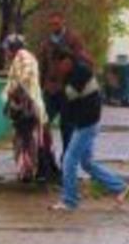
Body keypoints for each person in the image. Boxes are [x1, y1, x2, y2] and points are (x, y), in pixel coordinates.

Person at [49, 47, 129, 211]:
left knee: (69, 160)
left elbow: (66, 99)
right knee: (87, 163)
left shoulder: (80, 72)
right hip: (85, 122)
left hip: (87, 123)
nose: (58, 69)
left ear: (66, 61)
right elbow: (66, 103)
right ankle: (120, 187)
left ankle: (70, 200)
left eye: (59, 65)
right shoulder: (72, 74)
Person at [1, 34, 60, 182]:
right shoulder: (22, 57)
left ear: (13, 48)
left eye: (7, 49)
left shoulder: (23, 56)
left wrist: (13, 90)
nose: (6, 53)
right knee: (36, 139)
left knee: (28, 140)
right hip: (30, 106)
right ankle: (40, 171)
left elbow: (25, 76)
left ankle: (32, 171)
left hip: (28, 107)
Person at [38, 11, 91, 158]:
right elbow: (42, 66)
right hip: (50, 89)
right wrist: (40, 87)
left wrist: (70, 56)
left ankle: (66, 162)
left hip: (68, 90)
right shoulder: (47, 42)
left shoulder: (73, 39)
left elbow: (85, 61)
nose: (54, 26)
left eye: (56, 23)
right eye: (51, 24)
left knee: (67, 127)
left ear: (63, 22)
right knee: (43, 123)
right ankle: (47, 161)